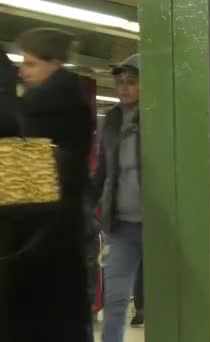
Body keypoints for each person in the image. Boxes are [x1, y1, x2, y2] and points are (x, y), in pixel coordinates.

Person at [2, 28, 93, 342]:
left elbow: (23, 203)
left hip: (40, 252)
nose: (22, 71)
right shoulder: (59, 105)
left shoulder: (40, 112)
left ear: (55, 64)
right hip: (57, 248)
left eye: (30, 63)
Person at [89, 53, 143, 342]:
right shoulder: (112, 119)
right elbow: (102, 169)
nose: (124, 88)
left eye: (131, 82)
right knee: (116, 297)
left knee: (167, 295)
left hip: (159, 224)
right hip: (120, 225)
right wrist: (89, 203)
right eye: (120, 83)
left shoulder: (162, 116)